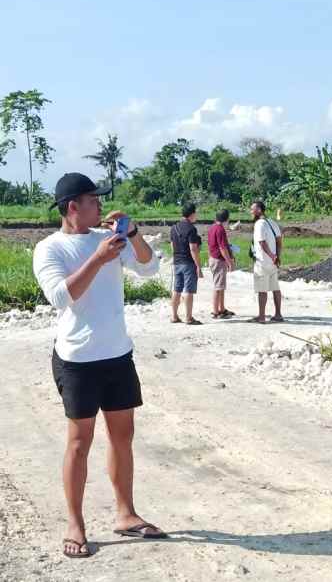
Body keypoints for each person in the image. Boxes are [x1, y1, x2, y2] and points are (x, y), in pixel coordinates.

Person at [33, 172, 168, 560]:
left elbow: (148, 268)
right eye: (93, 200)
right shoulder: (50, 248)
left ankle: (126, 513)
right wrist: (98, 258)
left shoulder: (109, 240)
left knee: (123, 436)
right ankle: (75, 523)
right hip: (77, 361)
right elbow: (62, 297)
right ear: (73, 207)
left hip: (117, 354)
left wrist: (134, 231)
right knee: (79, 442)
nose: (100, 205)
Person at [248, 200, 283, 323]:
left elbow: (262, 243)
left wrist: (272, 256)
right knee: (275, 288)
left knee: (262, 290)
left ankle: (261, 316)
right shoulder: (272, 222)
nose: (251, 212)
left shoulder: (259, 224)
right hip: (273, 263)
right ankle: (278, 314)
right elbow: (279, 241)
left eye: (252, 209)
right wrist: (277, 257)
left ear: (259, 210)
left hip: (262, 262)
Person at [170, 202, 203, 325]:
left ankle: (174, 316)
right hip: (188, 262)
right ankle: (188, 318)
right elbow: (193, 248)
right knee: (189, 290)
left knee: (176, 290)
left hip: (177, 262)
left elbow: (172, 246)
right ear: (192, 214)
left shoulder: (174, 228)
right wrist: (198, 266)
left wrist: (176, 259)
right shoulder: (191, 229)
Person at [207, 209, 235, 319]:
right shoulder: (220, 229)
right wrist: (230, 262)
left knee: (221, 286)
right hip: (218, 260)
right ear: (226, 219)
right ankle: (215, 311)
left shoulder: (212, 228)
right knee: (218, 286)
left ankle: (222, 308)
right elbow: (222, 248)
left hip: (214, 258)